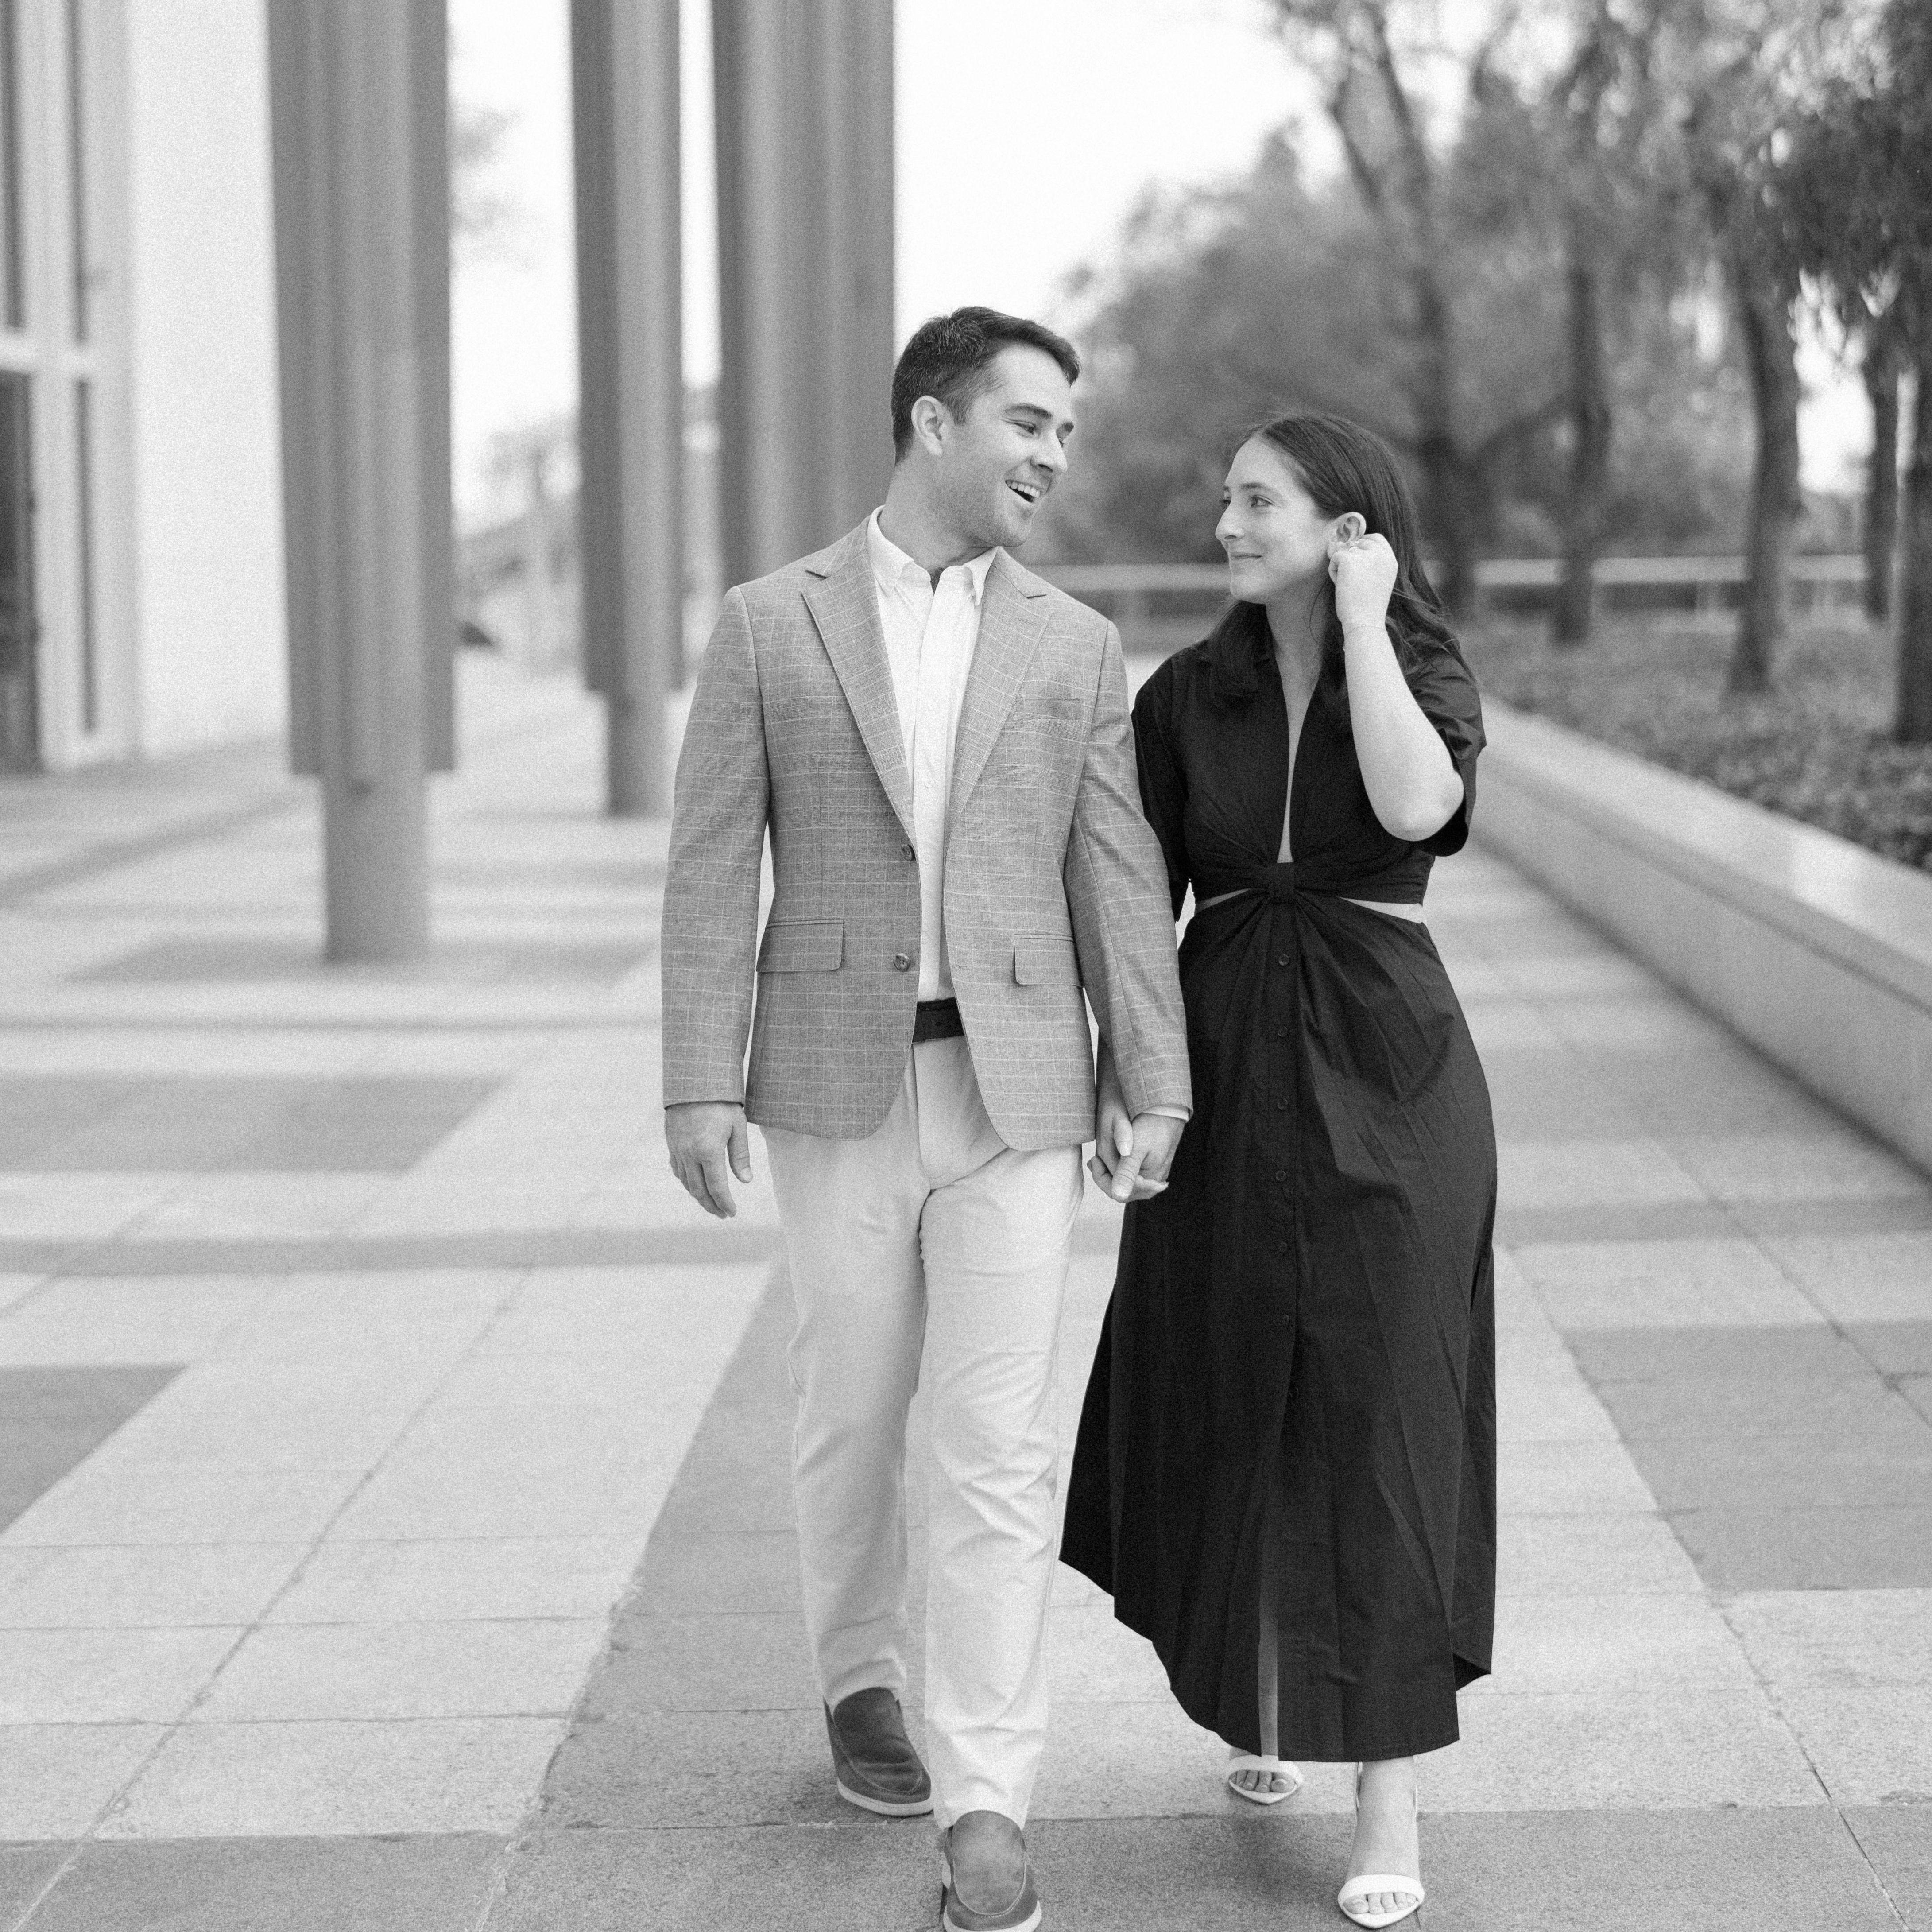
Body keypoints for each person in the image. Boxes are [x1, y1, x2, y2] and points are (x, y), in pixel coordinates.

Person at [661, 306, 1191, 1932]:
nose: (1053, 455)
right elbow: (710, 862)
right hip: (833, 1084)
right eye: (1029, 422)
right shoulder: (771, 623)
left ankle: (986, 1797)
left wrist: (1152, 1077)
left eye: (1066, 432)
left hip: (1016, 1088)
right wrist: (696, 1075)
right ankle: (857, 1681)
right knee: (851, 1405)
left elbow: (1116, 872)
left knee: (995, 1442)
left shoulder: (1073, 642)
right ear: (933, 421)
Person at [1061, 412, 1497, 1931]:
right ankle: (1254, 1689)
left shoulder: (1422, 665)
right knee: (1237, 1382)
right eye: (1227, 498)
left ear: (1345, 526)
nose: (1227, 523)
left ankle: (1386, 1785)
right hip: (1228, 1057)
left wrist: (1366, 627)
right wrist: (1131, 1080)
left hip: (1392, 1064)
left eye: (1258, 501)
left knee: (1384, 1402)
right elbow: (1133, 898)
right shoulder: (1188, 693)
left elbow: (1415, 809)